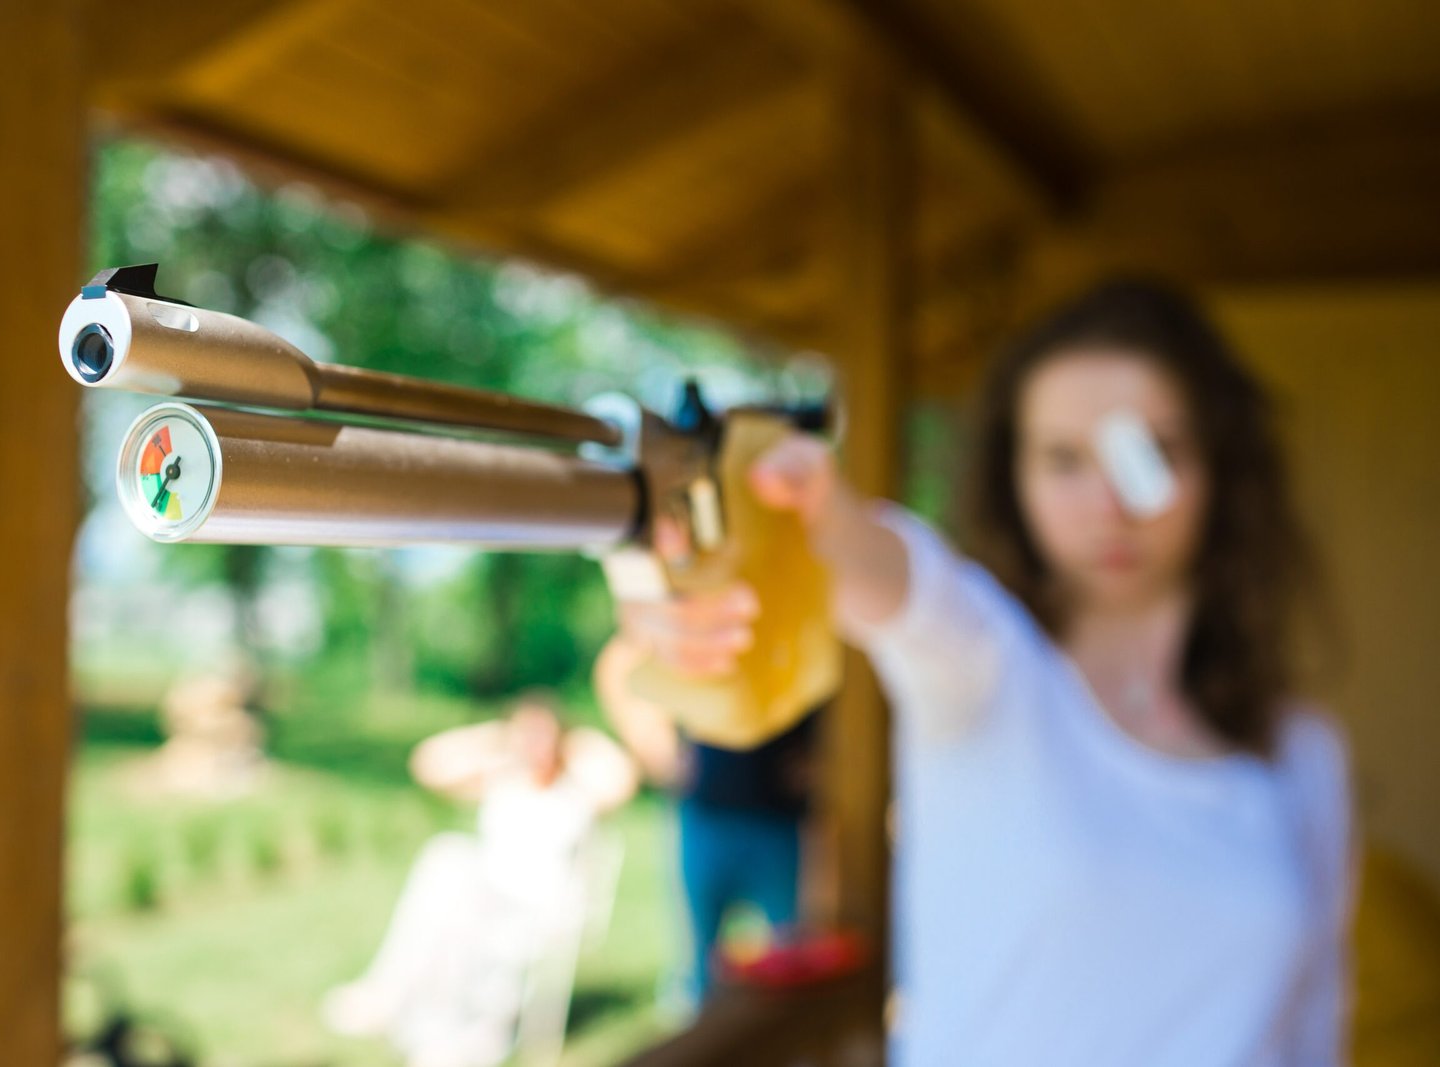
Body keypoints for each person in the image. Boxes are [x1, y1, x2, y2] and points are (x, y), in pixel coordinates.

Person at [612, 280, 1355, 1065]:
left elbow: (1315, 1024)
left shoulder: (1301, 753)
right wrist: (792, 517)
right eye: (1065, 457)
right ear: (1015, 476)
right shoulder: (989, 670)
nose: (1109, 501)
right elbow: (899, 579)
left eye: (1151, 451)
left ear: (1218, 469)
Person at [322, 691, 637, 1067]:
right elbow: (427, 763)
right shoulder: (503, 780)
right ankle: (427, 1015)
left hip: (538, 911)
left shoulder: (578, 792)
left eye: (544, 735)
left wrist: (578, 740)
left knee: (450, 863)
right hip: (480, 898)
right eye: (526, 734)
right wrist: (496, 737)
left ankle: (403, 1002)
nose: (535, 744)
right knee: (449, 859)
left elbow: (624, 776)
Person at [595, 634, 821, 1007]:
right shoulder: (707, 618)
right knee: (699, 967)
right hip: (706, 818)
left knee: (788, 960)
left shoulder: (790, 628)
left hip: (777, 825)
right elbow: (624, 657)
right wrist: (659, 753)